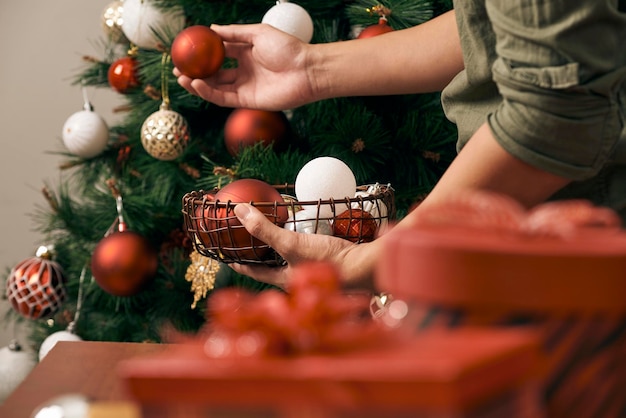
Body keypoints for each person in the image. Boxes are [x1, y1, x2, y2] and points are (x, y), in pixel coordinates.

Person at [176, 2, 626, 291]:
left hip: (588, 264)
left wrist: (373, 259)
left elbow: (557, 114)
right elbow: (490, 24)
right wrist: (311, 69)